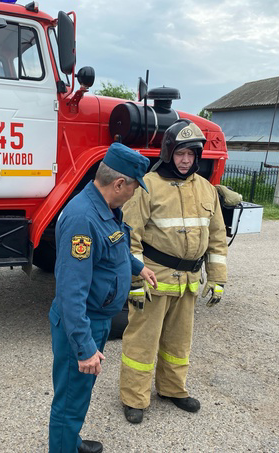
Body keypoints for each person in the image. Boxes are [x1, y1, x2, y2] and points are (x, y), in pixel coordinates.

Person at [48, 142, 157, 453]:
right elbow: (71, 293)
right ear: (119, 184)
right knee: (70, 400)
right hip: (82, 324)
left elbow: (112, 248)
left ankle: (71, 442)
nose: (135, 194)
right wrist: (84, 348)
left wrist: (138, 266)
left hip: (97, 319)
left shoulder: (105, 208)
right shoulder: (84, 218)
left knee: (78, 394)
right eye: (136, 187)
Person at [119, 119, 228, 424]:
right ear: (169, 152)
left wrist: (217, 279)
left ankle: (172, 389)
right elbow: (130, 236)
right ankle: (134, 398)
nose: (186, 160)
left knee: (178, 344)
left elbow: (217, 238)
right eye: (181, 153)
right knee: (142, 343)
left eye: (191, 154)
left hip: (189, 283)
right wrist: (135, 280)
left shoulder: (206, 190)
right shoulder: (147, 186)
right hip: (153, 281)